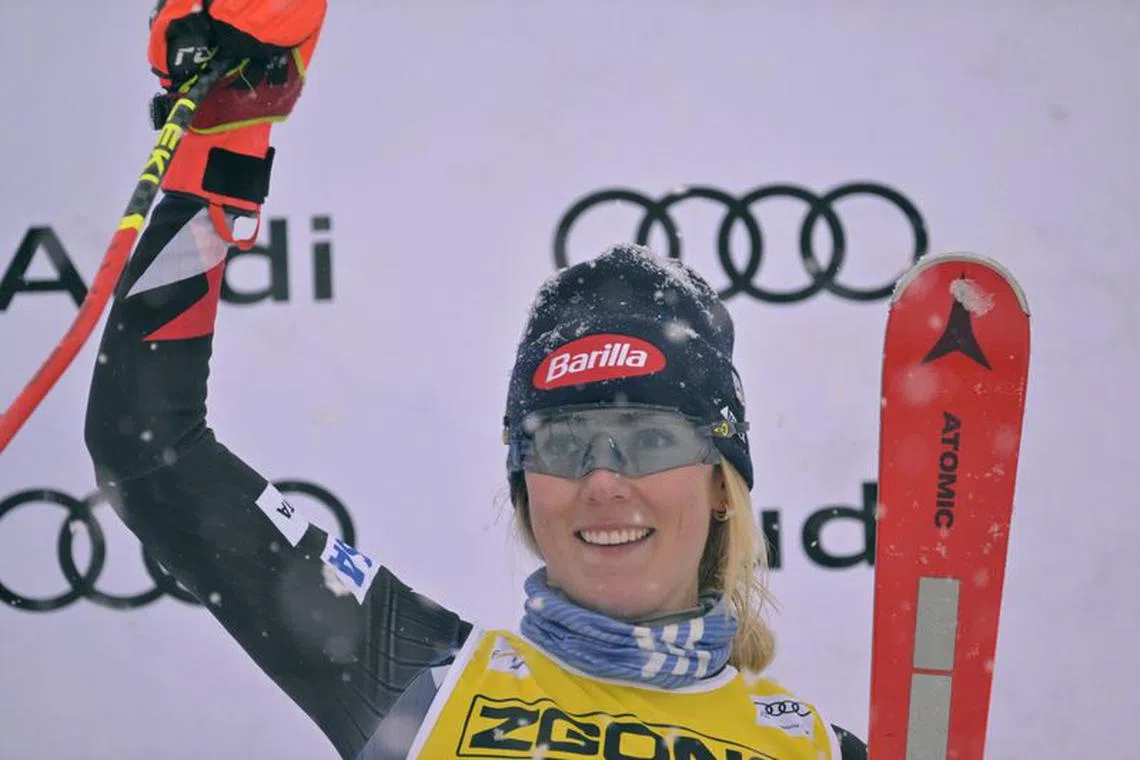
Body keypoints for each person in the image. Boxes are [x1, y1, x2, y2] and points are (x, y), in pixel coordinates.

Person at [83, 2, 869, 757]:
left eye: (649, 440)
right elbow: (154, 459)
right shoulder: (420, 682)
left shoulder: (821, 753)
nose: (602, 480)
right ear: (526, 488)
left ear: (722, 483)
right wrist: (227, 134)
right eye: (563, 443)